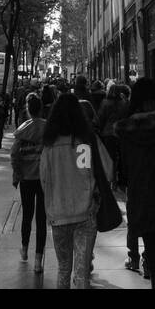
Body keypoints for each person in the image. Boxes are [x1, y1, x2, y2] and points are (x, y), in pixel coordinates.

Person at [39, 91, 113, 290]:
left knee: (63, 269)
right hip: (85, 212)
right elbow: (108, 170)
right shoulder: (88, 141)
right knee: (81, 274)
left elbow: (44, 179)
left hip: (58, 213)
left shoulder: (49, 145)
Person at [116, 77, 155, 289]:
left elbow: (123, 172)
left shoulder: (127, 131)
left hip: (142, 198)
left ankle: (151, 272)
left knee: (152, 247)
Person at [11, 92, 48, 274]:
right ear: (41, 109)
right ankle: (38, 260)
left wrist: (17, 174)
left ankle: (24, 249)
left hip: (26, 178)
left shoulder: (23, 129)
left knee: (27, 215)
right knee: (42, 219)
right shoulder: (48, 128)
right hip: (43, 179)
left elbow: (14, 154)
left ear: (27, 109)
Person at [97, 81, 128, 187]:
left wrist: (100, 129)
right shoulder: (123, 103)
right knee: (121, 156)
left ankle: (111, 178)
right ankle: (120, 179)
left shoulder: (105, 103)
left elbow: (101, 118)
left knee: (110, 157)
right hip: (120, 133)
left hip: (108, 133)